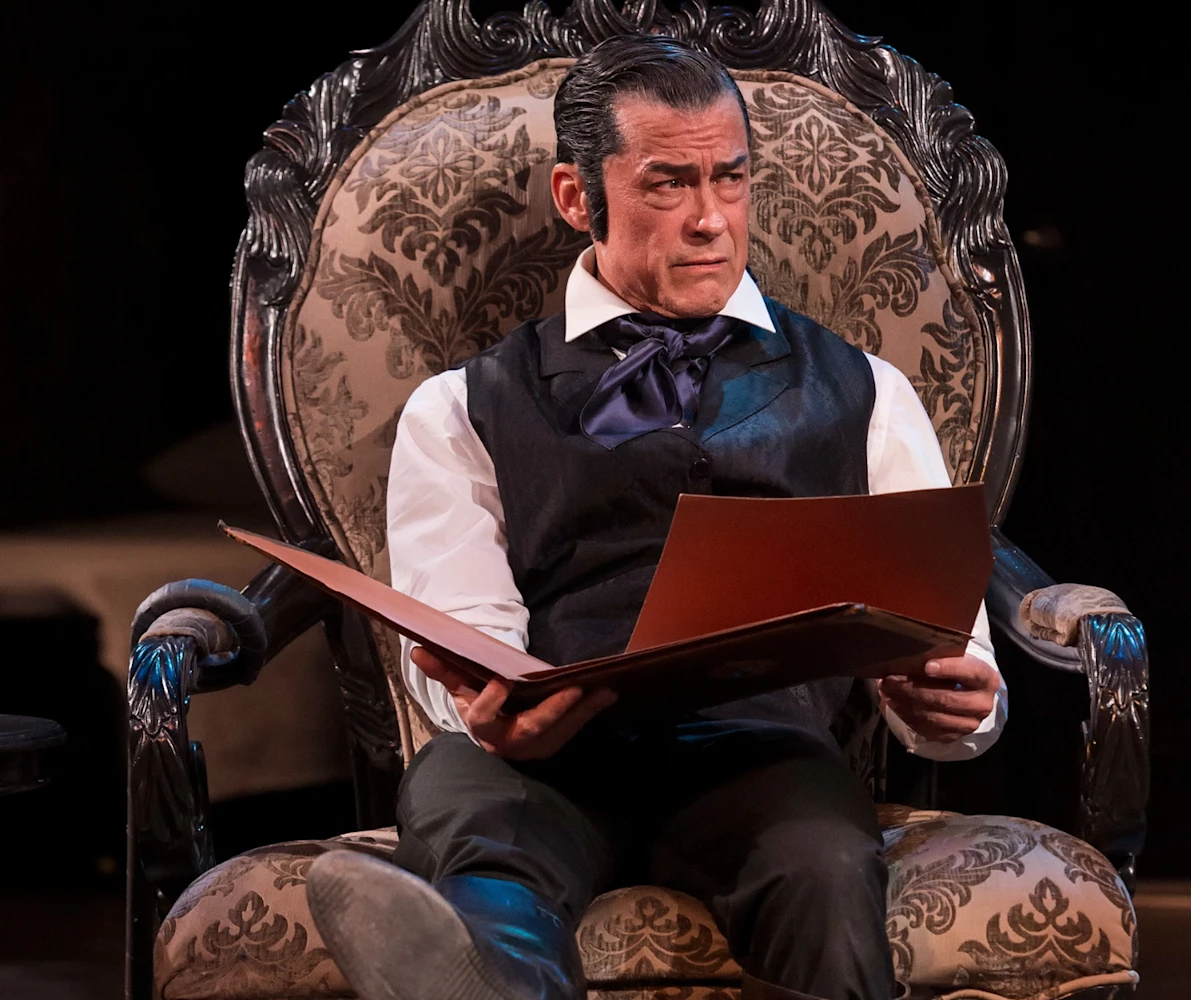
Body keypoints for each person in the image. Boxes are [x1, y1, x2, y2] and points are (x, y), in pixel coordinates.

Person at [307, 34, 1007, 1000]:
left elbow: (946, 641)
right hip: (536, 765)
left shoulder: (864, 392)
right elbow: (462, 629)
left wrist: (958, 707)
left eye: (731, 179)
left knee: (823, 869)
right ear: (576, 197)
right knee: (486, 857)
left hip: (756, 756)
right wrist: (496, 705)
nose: (711, 220)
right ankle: (472, 966)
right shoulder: (462, 406)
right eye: (668, 184)